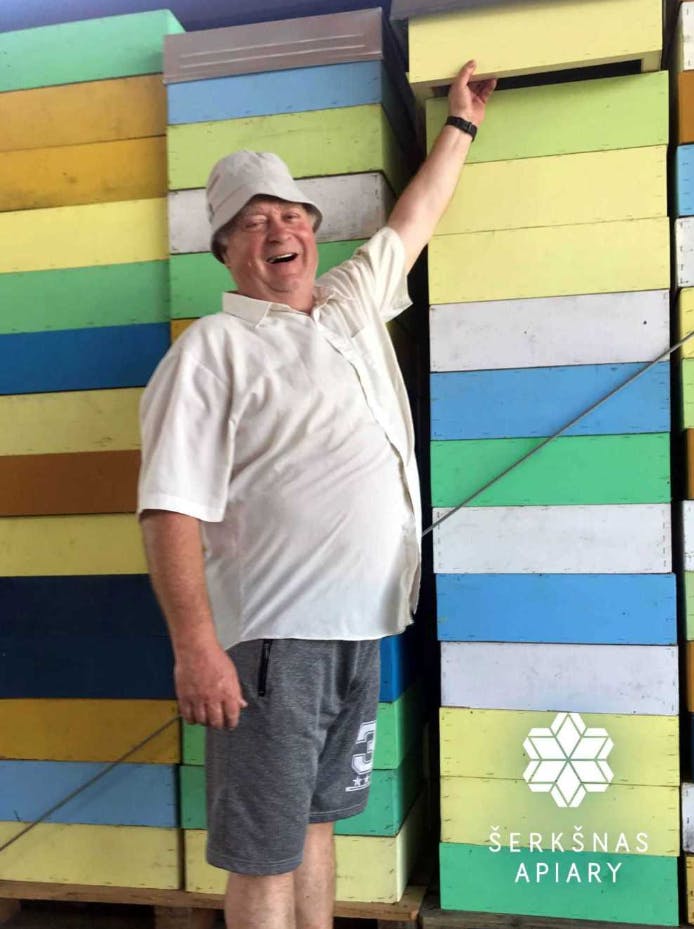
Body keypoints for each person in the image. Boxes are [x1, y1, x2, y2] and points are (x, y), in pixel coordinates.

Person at [138, 60, 495, 929]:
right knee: (264, 851)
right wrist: (196, 649)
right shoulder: (210, 350)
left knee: (318, 824)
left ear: (314, 231)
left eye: (292, 214)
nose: (279, 229)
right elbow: (168, 507)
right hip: (272, 642)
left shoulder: (348, 306)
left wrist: (461, 125)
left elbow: (414, 219)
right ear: (225, 250)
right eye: (253, 221)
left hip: (358, 627)